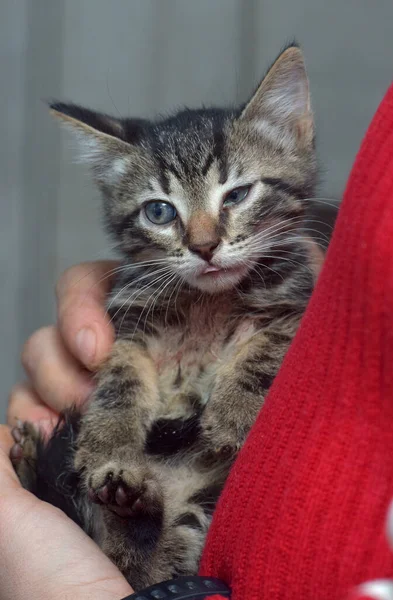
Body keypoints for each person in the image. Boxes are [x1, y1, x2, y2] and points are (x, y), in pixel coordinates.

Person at [3, 83, 393, 600]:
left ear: (291, 134)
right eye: (161, 212)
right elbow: (124, 356)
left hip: (194, 534)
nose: (204, 242)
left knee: (193, 504)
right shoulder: (148, 288)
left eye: (234, 195)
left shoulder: (291, 278)